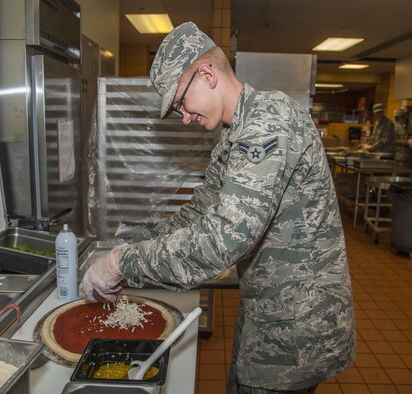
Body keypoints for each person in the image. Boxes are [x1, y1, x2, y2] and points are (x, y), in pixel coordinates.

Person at [80, 22, 355, 393]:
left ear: (206, 74)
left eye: (179, 102)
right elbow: (196, 213)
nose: (183, 116)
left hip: (297, 323)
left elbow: (221, 240)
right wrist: (125, 250)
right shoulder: (235, 133)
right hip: (267, 307)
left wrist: (120, 265)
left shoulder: (268, 123)